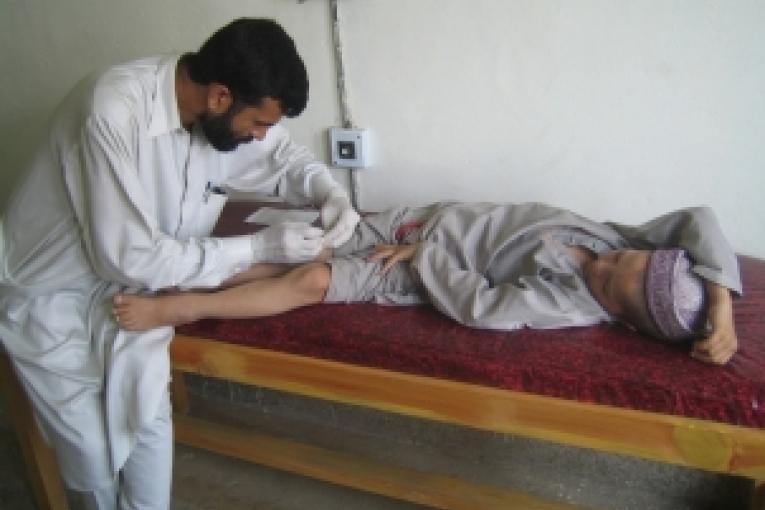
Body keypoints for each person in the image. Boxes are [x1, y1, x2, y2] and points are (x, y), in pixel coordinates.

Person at [0, 18, 359, 510]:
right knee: (87, 450)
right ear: (219, 96)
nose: (260, 138)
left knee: (146, 413)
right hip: (52, 294)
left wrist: (329, 191)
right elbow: (128, 254)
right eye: (257, 123)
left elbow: (287, 158)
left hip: (144, 288)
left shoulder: (222, 118)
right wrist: (259, 249)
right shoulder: (112, 111)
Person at [113, 201, 741, 366]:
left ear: (623, 318)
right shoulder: (623, 238)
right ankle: (176, 273)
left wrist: (422, 256)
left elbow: (482, 307)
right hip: (425, 216)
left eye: (610, 280)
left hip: (419, 267)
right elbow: (703, 221)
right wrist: (723, 302)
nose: (604, 262)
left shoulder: (567, 303)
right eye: (617, 258)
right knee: (304, 245)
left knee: (312, 277)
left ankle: (184, 309)